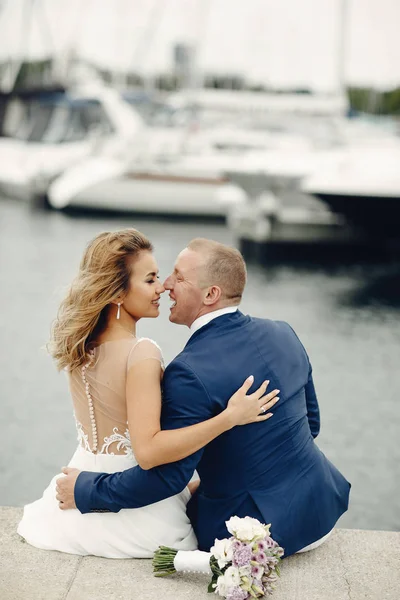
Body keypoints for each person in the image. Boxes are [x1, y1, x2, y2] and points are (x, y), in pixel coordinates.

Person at [57, 237, 351, 558]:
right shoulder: (283, 332)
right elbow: (311, 423)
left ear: (211, 294)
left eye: (178, 277)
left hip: (261, 535)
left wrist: (86, 490)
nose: (167, 285)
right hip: (321, 513)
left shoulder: (189, 372)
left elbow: (165, 479)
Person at [17, 230, 278, 558]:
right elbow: (149, 450)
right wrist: (228, 418)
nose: (162, 287)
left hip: (71, 496)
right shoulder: (141, 353)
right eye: (151, 279)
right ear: (117, 292)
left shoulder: (80, 347)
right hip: (135, 513)